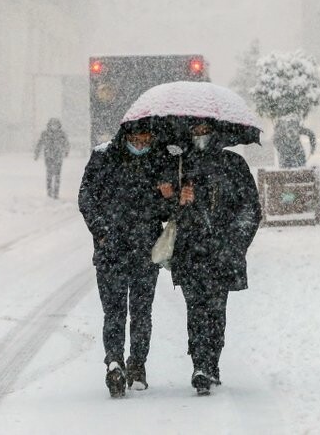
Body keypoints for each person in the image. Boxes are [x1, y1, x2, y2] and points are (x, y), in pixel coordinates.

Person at [164, 119, 261, 395]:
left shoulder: (233, 164)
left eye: (205, 131)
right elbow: (163, 207)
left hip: (222, 252)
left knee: (216, 311)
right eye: (195, 131)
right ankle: (200, 365)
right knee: (195, 309)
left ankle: (211, 361)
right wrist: (178, 199)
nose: (200, 136)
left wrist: (235, 242)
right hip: (190, 251)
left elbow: (250, 207)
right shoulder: (180, 165)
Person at [78, 120, 171, 398]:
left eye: (146, 139)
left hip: (145, 250)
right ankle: (115, 362)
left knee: (142, 312)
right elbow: (86, 196)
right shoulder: (104, 157)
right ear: (126, 135)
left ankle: (137, 364)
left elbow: (166, 212)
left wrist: (167, 196)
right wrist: (102, 231)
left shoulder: (159, 158)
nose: (141, 144)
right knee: (115, 311)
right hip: (111, 251)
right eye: (137, 139)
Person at [34, 118, 70, 199]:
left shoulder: (62, 134)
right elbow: (40, 143)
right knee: (49, 174)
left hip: (58, 157)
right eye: (52, 124)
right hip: (48, 157)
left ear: (58, 125)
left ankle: (56, 193)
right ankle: (49, 192)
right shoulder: (45, 134)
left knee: (57, 175)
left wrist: (66, 151)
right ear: (49, 125)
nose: (54, 126)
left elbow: (66, 143)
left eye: (56, 125)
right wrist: (37, 153)